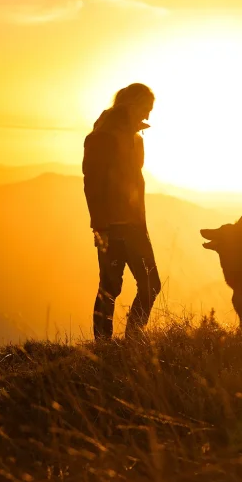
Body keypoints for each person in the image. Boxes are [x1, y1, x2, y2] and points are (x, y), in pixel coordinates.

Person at [82, 83, 161, 341]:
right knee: (112, 287)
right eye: (146, 108)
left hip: (133, 224)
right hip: (113, 226)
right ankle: (110, 345)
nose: (148, 116)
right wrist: (101, 226)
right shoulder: (103, 136)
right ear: (133, 104)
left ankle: (128, 341)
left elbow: (134, 183)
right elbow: (92, 182)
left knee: (142, 285)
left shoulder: (134, 137)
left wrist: (141, 222)